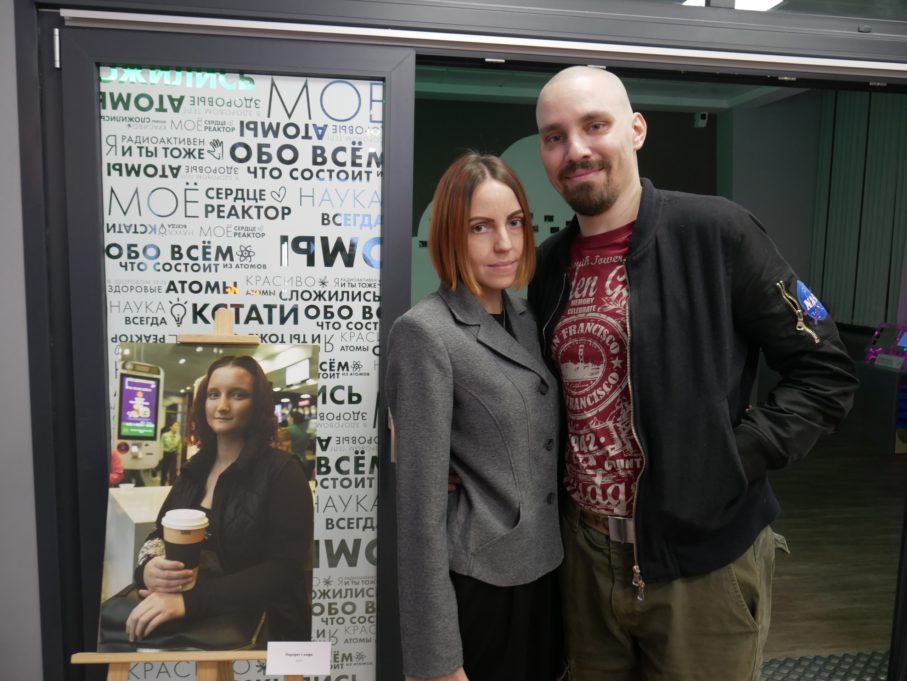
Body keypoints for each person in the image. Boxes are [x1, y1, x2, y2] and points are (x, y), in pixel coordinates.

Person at [527, 65, 859, 681]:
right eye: (555, 136)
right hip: (584, 559)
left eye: (595, 125)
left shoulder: (717, 233)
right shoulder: (549, 266)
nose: (575, 150)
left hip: (703, 563)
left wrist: (732, 459)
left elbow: (826, 372)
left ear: (636, 130)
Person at [386, 152, 563, 681]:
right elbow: (418, 514)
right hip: (480, 584)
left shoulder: (527, 319)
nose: (504, 243)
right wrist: (437, 659)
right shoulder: (425, 332)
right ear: (449, 237)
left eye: (515, 223)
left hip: (546, 572)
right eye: (480, 227)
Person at [124, 355, 314, 644]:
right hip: (196, 624)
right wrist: (148, 568)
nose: (222, 406)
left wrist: (190, 602)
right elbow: (158, 535)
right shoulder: (195, 469)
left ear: (258, 405)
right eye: (214, 394)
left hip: (265, 629)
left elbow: (284, 568)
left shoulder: (282, 471)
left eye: (237, 395)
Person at [157, 420, 181, 486]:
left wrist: (178, 456)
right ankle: (162, 485)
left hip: (173, 454)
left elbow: (179, 448)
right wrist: (160, 456)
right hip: (165, 454)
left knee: (173, 471)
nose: (177, 427)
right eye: (175, 425)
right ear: (171, 427)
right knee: (164, 470)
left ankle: (171, 486)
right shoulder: (165, 435)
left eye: (178, 426)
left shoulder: (178, 436)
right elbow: (161, 446)